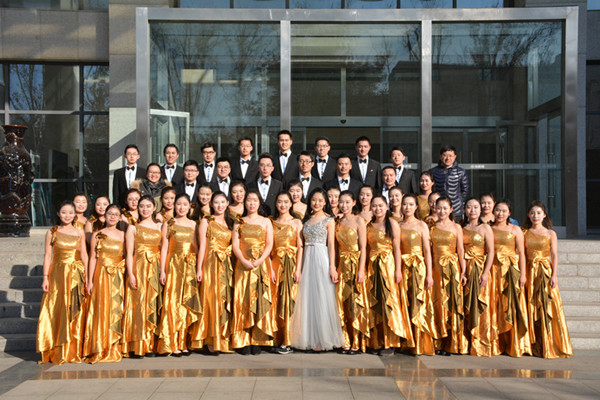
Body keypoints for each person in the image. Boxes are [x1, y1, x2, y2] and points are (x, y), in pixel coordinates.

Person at [291, 188, 344, 351]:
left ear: (325, 202)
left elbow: (331, 245)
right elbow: (300, 245)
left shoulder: (329, 220)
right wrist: (298, 269)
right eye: (314, 200)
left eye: (320, 200)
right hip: (308, 258)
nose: (317, 203)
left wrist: (332, 267)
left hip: (322, 257)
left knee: (322, 296)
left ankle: (323, 339)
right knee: (308, 297)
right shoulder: (305, 220)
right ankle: (308, 338)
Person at [37, 201, 88, 364]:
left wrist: (87, 276)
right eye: (64, 212)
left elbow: (84, 254)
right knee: (57, 308)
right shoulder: (52, 232)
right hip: (57, 274)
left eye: (70, 213)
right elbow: (47, 255)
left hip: (75, 273)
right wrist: (45, 277)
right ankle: (57, 348)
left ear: (75, 215)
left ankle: (73, 350)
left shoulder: (80, 232)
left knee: (74, 308)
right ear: (58, 213)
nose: (67, 215)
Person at [523, 201, 572, 358]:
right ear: (528, 215)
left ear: (544, 215)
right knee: (531, 306)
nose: (535, 216)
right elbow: (521, 254)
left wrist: (554, 275)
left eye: (538, 213)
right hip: (529, 272)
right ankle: (533, 344)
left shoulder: (551, 234)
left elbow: (554, 255)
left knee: (546, 306)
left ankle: (549, 344)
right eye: (532, 213)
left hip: (544, 271)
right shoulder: (524, 233)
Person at [231, 190, 275, 354]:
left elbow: (269, 244)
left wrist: (260, 260)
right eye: (249, 200)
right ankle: (243, 340)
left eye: (255, 200)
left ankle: (257, 339)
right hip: (242, 266)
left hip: (260, 265)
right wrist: (243, 260)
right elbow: (235, 245)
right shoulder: (239, 222)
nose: (251, 203)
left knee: (258, 299)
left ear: (259, 202)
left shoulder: (266, 221)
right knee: (243, 300)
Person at [157, 194, 201, 356]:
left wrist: (197, 267)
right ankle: (171, 342)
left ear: (190, 207)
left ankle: (183, 342)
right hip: (173, 266)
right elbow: (164, 248)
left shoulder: (193, 224)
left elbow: (195, 246)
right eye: (178, 204)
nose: (181, 207)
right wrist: (162, 270)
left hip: (189, 266)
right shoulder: (169, 223)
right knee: (172, 302)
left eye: (185, 204)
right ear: (174, 206)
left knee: (185, 303)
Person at [366, 196, 411, 353]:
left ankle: (391, 341)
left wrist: (398, 270)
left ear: (386, 206)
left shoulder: (392, 223)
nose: (377, 209)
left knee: (389, 301)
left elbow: (397, 248)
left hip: (388, 266)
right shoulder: (368, 225)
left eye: (380, 205)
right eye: (374, 206)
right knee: (375, 301)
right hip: (373, 266)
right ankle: (377, 341)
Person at [192, 191, 235, 354]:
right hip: (210, 263)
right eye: (216, 202)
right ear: (211, 204)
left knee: (224, 299)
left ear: (227, 203)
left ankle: (222, 339)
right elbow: (202, 245)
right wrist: (199, 268)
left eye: (223, 202)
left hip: (225, 264)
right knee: (210, 299)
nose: (219, 205)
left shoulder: (230, 222)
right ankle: (209, 339)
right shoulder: (206, 221)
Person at [84, 204, 126, 363]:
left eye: (116, 214)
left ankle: (115, 346)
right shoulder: (97, 234)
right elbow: (92, 258)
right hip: (100, 275)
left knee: (116, 308)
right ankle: (100, 346)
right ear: (105, 216)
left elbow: (128, 255)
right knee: (101, 309)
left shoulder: (124, 235)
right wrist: (90, 280)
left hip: (118, 275)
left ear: (120, 217)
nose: (112, 217)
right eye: (110, 214)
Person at [122, 195, 163, 357]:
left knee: (153, 303)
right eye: (141, 206)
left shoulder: (160, 226)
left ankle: (151, 344)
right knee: (138, 304)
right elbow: (129, 253)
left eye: (148, 206)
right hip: (138, 267)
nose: (145, 209)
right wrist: (131, 274)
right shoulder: (133, 228)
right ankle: (138, 344)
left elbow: (164, 249)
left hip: (155, 267)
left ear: (154, 208)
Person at [492, 200, 531, 357]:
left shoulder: (515, 229)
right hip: (493, 270)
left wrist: (523, 274)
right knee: (495, 305)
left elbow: (521, 253)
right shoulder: (489, 228)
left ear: (509, 213)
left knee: (510, 304)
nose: (500, 214)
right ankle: (497, 343)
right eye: (497, 210)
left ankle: (513, 343)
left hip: (510, 270)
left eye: (504, 211)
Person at [430, 196, 468, 355]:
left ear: (451, 210)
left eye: (445, 208)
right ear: (434, 208)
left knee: (452, 303)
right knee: (437, 302)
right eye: (439, 208)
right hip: (436, 269)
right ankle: (438, 341)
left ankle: (452, 343)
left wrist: (464, 271)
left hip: (452, 269)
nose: (442, 211)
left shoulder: (456, 227)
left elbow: (461, 250)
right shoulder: (431, 227)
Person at [398, 194, 435, 355]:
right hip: (402, 267)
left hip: (418, 267)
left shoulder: (421, 225)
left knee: (417, 303)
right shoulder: (397, 225)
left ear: (416, 207)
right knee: (404, 302)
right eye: (405, 204)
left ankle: (418, 344)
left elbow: (427, 250)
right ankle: (405, 341)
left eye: (411, 204)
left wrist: (429, 274)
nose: (407, 207)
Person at [462, 198, 497, 357]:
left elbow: (491, 251)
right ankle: (466, 342)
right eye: (469, 207)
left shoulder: (485, 228)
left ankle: (481, 342)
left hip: (480, 268)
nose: (472, 210)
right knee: (466, 305)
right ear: (465, 210)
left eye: (475, 207)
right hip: (465, 269)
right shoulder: (461, 228)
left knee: (479, 302)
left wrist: (486, 272)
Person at [336, 190, 369, 354]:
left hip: (355, 264)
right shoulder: (337, 221)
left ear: (354, 203)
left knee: (355, 302)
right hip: (341, 265)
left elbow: (363, 247)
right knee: (342, 302)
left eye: (347, 202)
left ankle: (357, 341)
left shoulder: (359, 220)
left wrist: (361, 269)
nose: (344, 205)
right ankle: (345, 340)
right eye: (341, 202)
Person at [270, 192, 304, 354]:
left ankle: (288, 340)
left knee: (289, 300)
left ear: (291, 204)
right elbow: (267, 246)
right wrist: (270, 268)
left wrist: (298, 269)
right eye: (279, 202)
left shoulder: (297, 222)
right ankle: (276, 338)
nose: (282, 205)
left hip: (291, 264)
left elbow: (301, 247)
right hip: (275, 264)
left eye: (286, 202)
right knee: (276, 301)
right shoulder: (271, 222)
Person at [429, 145, 468, 221]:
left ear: (455, 157)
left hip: (456, 210)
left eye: (450, 156)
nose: (448, 158)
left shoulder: (461, 172)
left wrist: (458, 203)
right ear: (440, 156)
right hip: (439, 210)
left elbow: (465, 190)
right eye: (445, 155)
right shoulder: (433, 172)